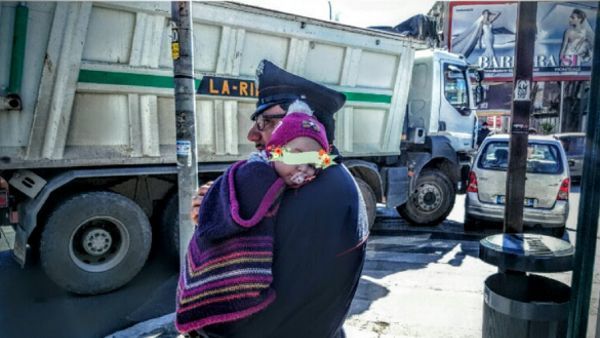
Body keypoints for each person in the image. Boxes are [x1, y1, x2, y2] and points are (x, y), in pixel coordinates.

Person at [188, 60, 368, 338]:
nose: (252, 135)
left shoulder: (317, 193)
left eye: (266, 122)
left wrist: (216, 211)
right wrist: (221, 200)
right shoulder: (324, 177)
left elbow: (254, 296)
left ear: (305, 129)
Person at [176, 102, 338, 333]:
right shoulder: (255, 174)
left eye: (314, 164)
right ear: (275, 151)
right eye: (295, 157)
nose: (303, 168)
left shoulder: (310, 187)